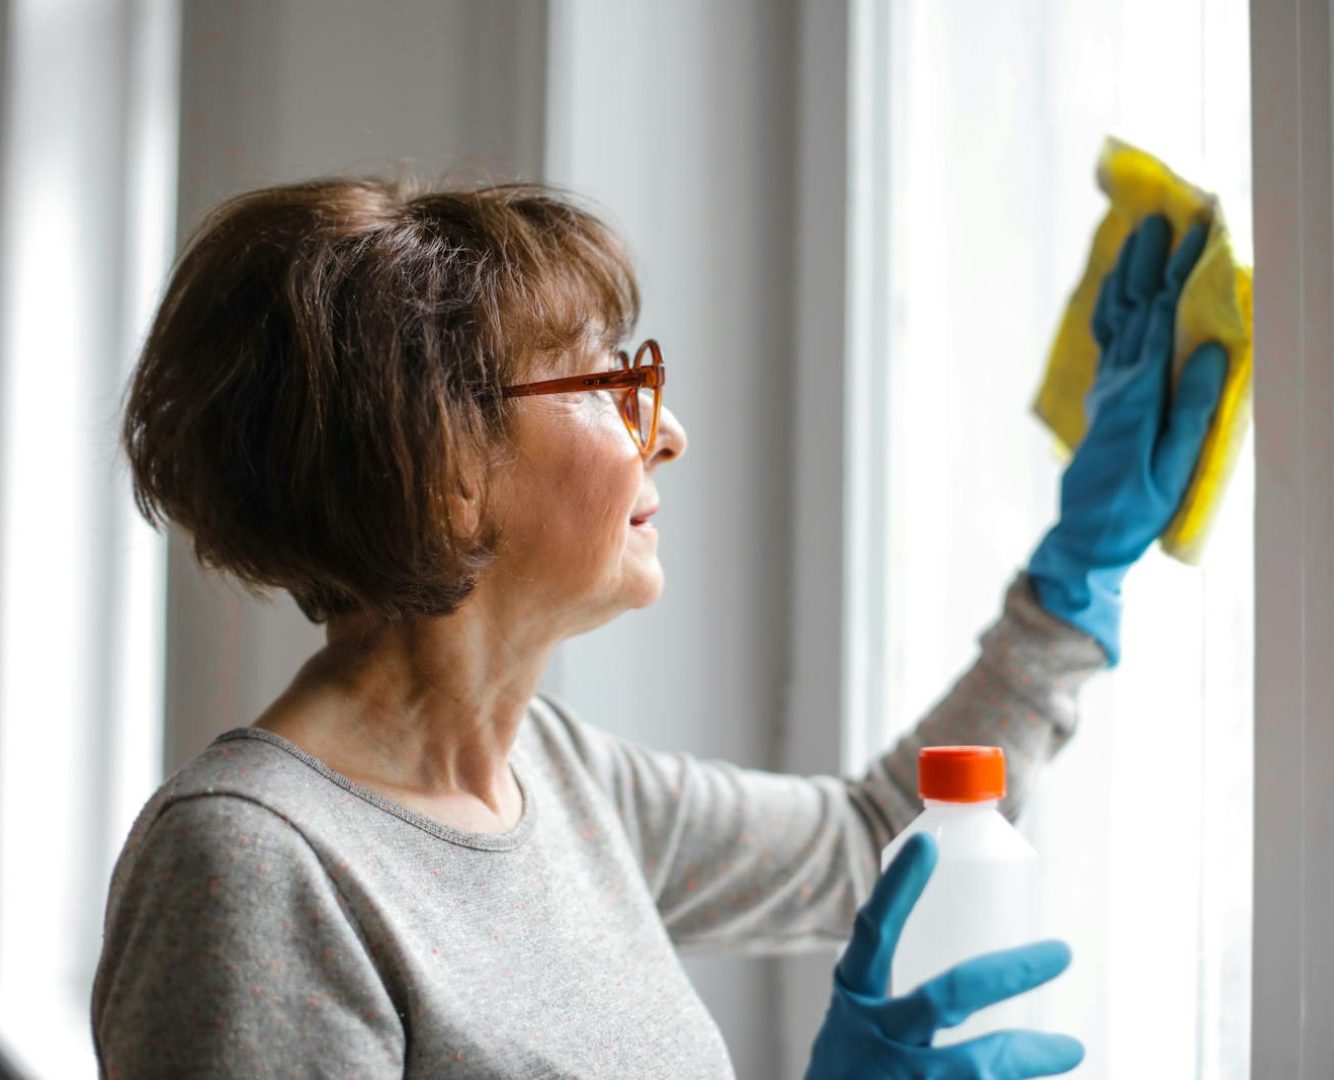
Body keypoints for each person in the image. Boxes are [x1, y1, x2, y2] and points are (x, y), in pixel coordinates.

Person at [90, 175, 1223, 1078]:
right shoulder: (254, 866)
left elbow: (871, 842)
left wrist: (1075, 576)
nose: (667, 431)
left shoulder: (561, 780)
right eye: (603, 382)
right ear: (441, 467)